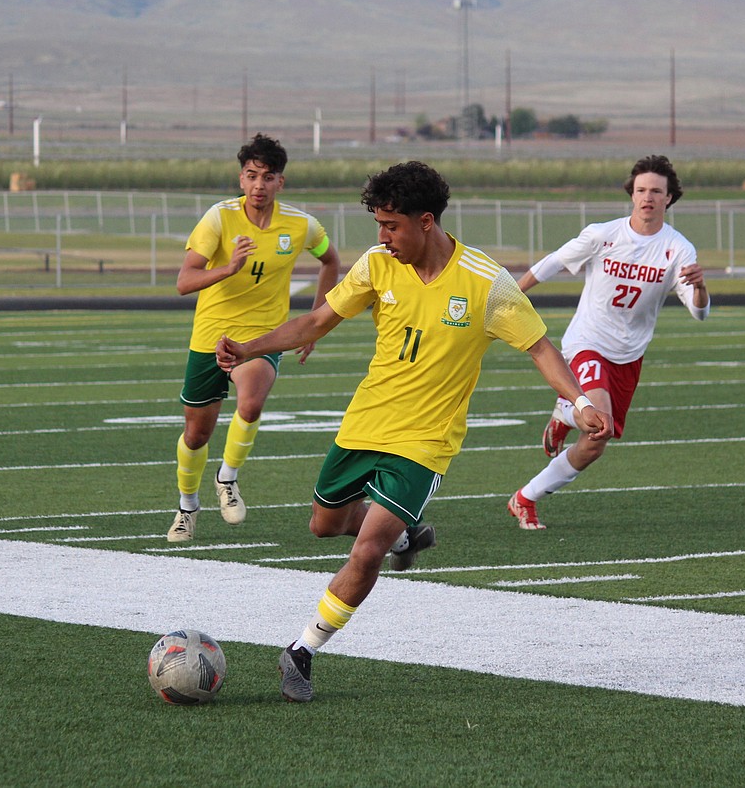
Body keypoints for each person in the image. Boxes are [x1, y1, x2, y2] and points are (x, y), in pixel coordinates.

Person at [215, 161, 612, 702]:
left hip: (427, 442)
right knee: (323, 526)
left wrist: (581, 400)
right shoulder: (377, 266)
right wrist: (248, 347)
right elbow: (314, 324)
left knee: (368, 550)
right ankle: (405, 534)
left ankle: (303, 650)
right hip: (366, 422)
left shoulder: (486, 282)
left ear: (426, 221)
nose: (382, 237)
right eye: (378, 224)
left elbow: (540, 347)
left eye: (391, 225)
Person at [507, 154, 710, 530]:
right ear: (631, 194)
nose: (648, 197)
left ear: (669, 198)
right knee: (597, 421)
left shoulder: (678, 250)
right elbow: (553, 261)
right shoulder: (604, 234)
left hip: (629, 355)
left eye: (656, 191)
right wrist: (511, 294)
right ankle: (569, 411)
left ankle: (526, 497)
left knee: (595, 444)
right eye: (641, 190)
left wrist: (699, 286)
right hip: (588, 341)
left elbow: (699, 312)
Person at [168, 133, 341, 543]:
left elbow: (331, 260)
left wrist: (318, 320)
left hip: (262, 339)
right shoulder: (219, 219)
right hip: (211, 338)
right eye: (251, 176)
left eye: (268, 177)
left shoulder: (301, 225)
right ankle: (187, 507)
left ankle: (227, 479)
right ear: (240, 180)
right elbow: (183, 281)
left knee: (251, 401)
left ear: (281, 182)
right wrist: (228, 268)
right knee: (197, 435)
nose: (259, 185)